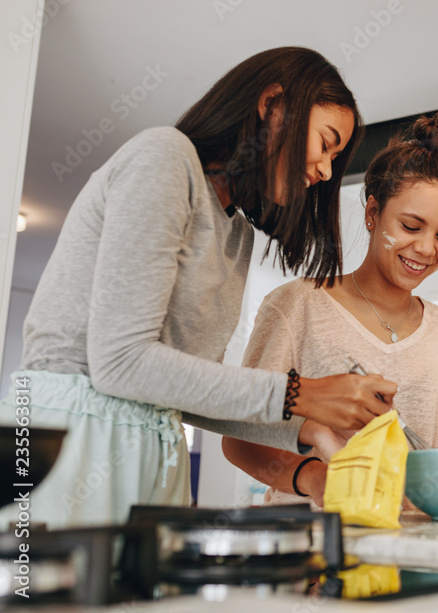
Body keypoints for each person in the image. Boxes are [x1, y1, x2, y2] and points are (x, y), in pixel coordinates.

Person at [0, 47, 398, 529]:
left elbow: (186, 390)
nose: (326, 172)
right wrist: (301, 393)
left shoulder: (237, 234)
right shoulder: (165, 158)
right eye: (325, 143)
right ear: (272, 104)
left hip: (153, 448)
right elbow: (120, 363)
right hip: (65, 441)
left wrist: (309, 429)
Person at [222, 110, 438, 508]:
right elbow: (239, 440)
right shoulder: (297, 306)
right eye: (412, 227)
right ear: (372, 213)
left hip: (413, 548)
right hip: (311, 546)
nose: (428, 249)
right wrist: (314, 478)